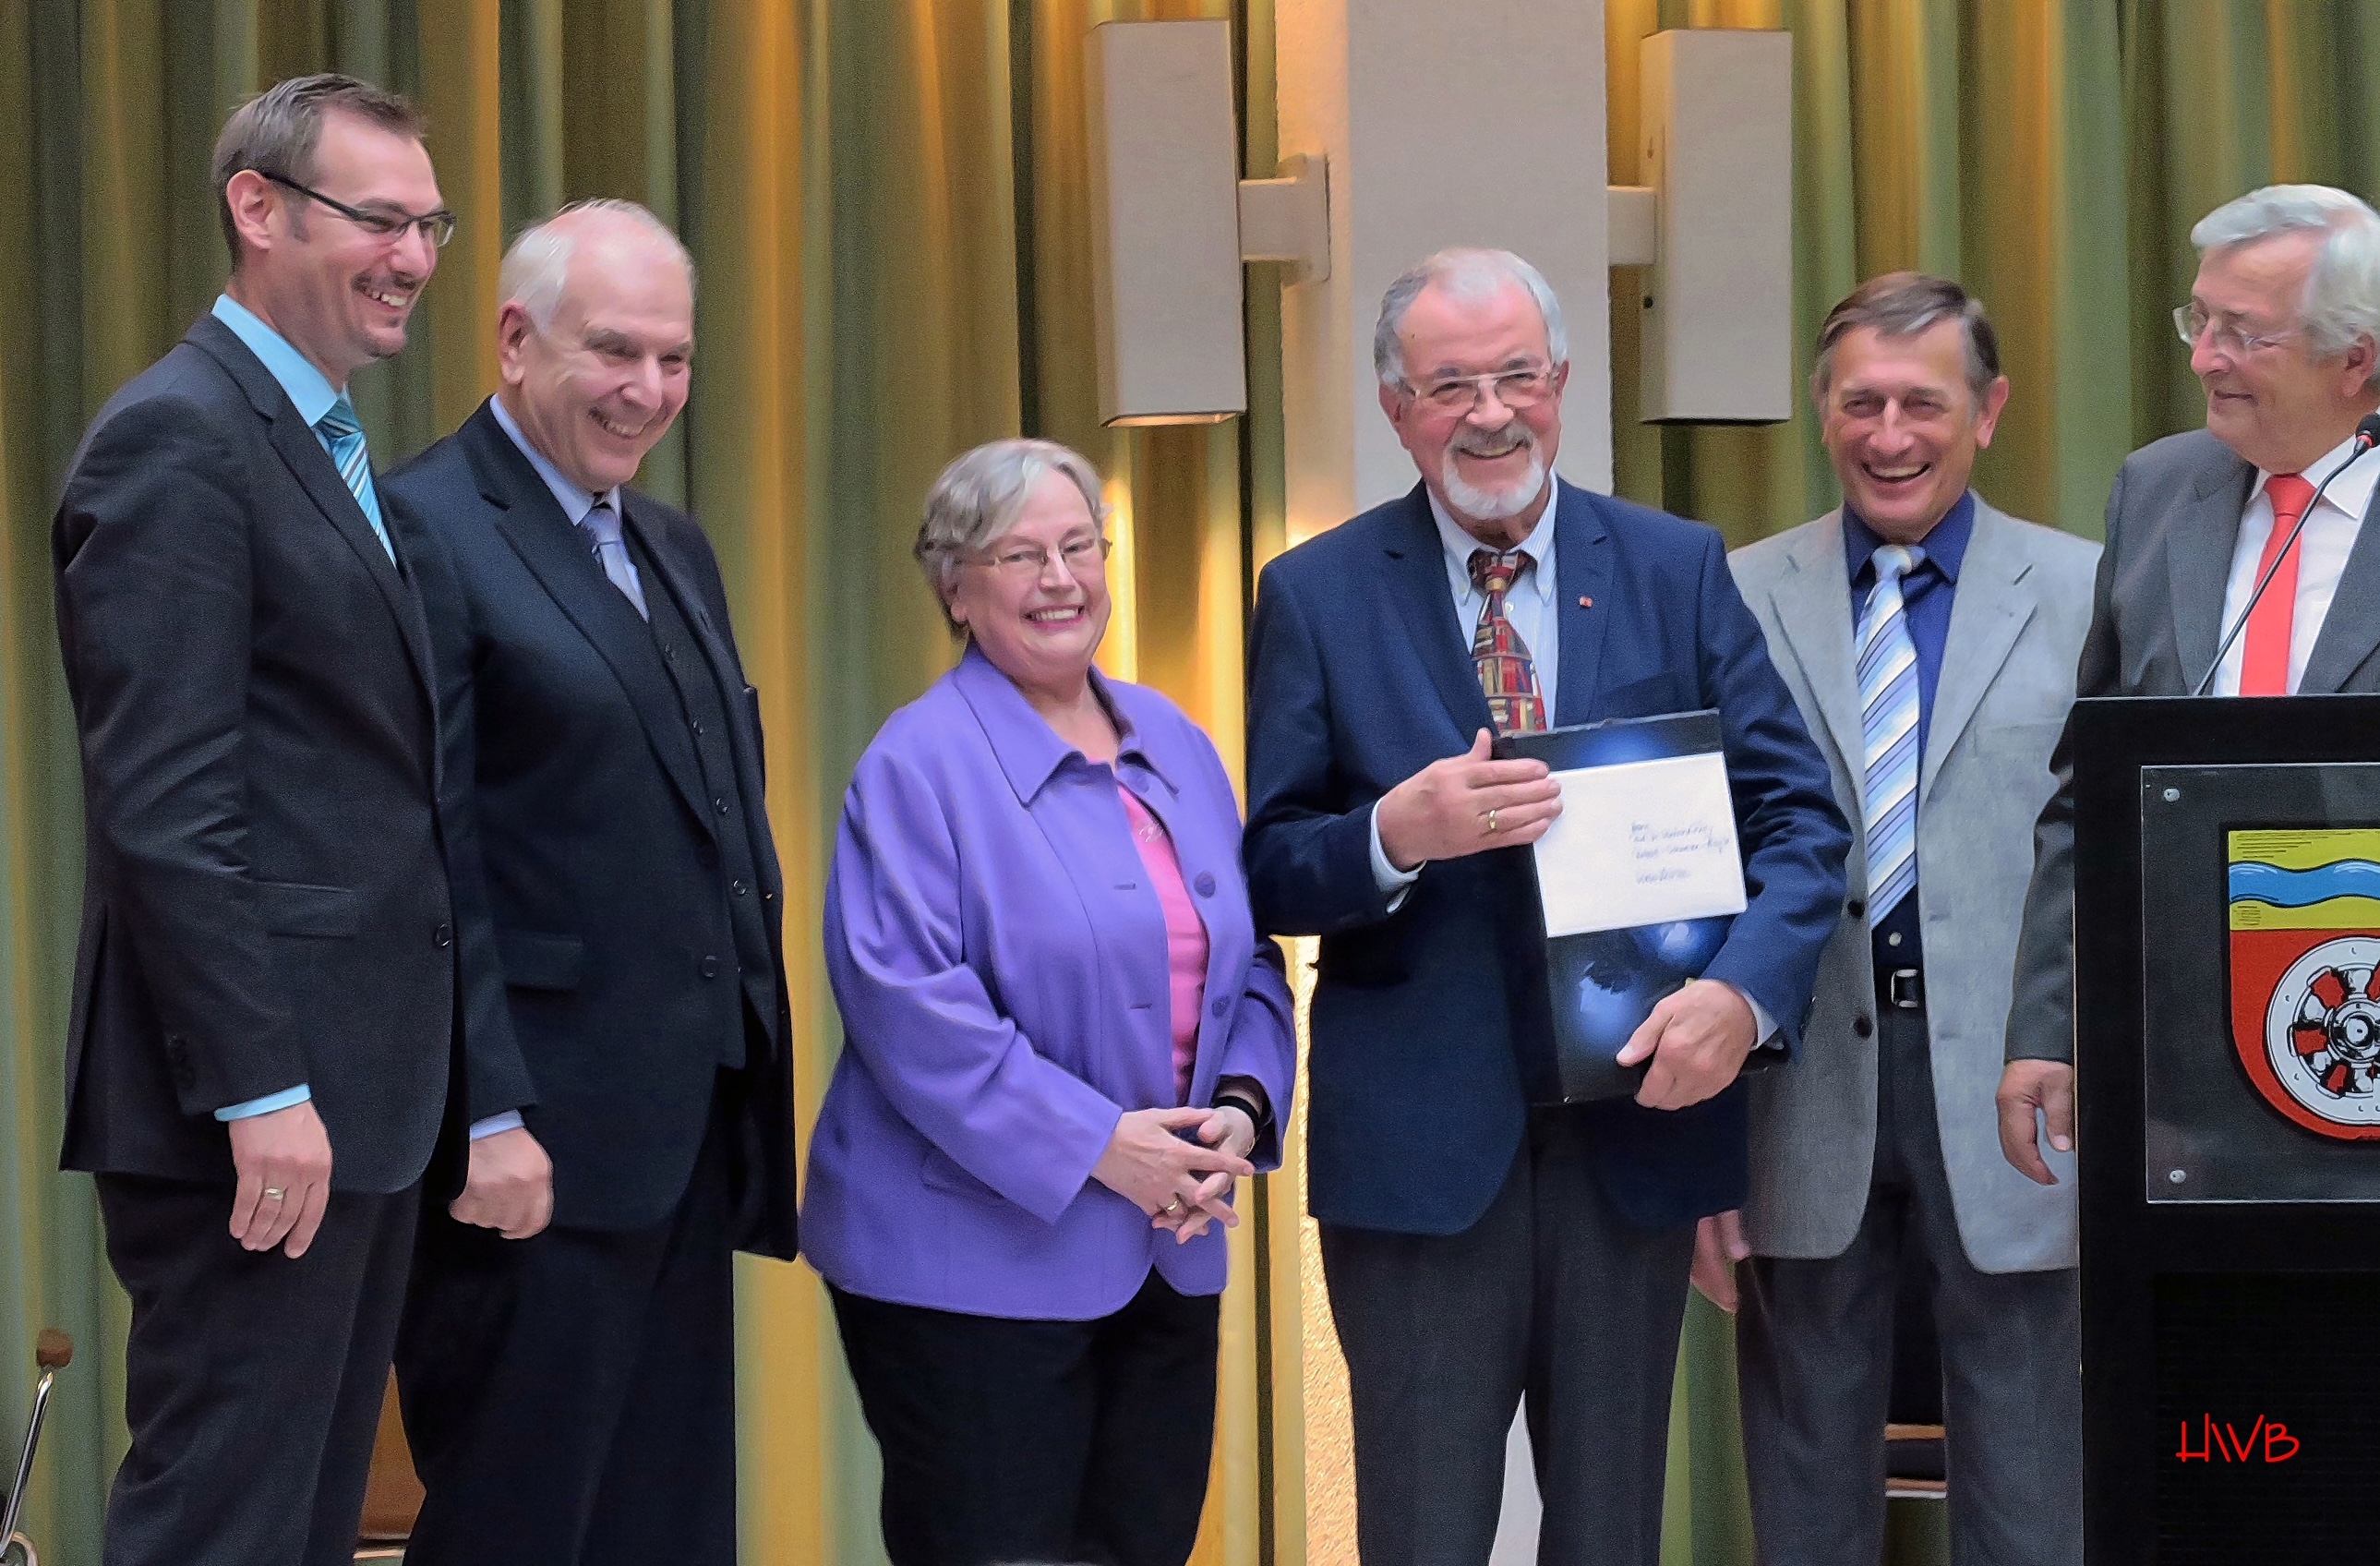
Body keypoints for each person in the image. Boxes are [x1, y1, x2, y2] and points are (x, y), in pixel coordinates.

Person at [1243, 247, 1847, 1565]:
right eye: (1448, 384)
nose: (1489, 411)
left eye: (1517, 374)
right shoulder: (1312, 593)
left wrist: (1742, 1001)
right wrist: (1392, 836)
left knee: (1609, 1534)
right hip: (1416, 1162)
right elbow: (1272, 870)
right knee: (1419, 1532)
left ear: (1564, 383)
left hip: (1630, 1144)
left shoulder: (1676, 566)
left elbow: (1800, 823)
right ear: (1396, 407)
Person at [49, 74, 517, 1566]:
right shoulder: (180, 437)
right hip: (257, 1112)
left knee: (303, 1527)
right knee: (224, 1523)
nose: (414, 256)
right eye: (377, 218)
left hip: (355, 1100)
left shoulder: (318, 441)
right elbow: (166, 804)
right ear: (256, 210)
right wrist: (262, 1088)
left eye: (430, 222)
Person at [380, 200, 799, 1566]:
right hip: (529, 1157)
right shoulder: (423, 528)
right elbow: (424, 852)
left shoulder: (672, 547)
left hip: (681, 1139)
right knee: (520, 1527)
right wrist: (483, 1108)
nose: (648, 390)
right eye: (613, 351)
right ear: (513, 340)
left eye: (673, 359)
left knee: (667, 1528)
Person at [804, 438, 1296, 1566]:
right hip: (963, 1263)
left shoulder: (1175, 739)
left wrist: (1241, 1108)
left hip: (1169, 1244)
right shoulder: (914, 764)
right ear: (954, 587)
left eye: (1079, 545)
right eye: (1019, 554)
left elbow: (1250, 961)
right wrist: (1099, 1146)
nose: (1059, 577)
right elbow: (908, 1007)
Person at [1717, 273, 2098, 1564]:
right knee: (1802, 1467)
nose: (1890, 435)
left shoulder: (2085, 589)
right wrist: (1701, 1148)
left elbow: (2100, 849)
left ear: (1986, 412)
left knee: (2032, 1473)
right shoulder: (1734, 593)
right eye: (1860, 402)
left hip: (2018, 1088)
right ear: (1819, 414)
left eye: (1921, 403)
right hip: (1799, 1090)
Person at [2002, 186, 2380, 1174]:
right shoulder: (2158, 490)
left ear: (2357, 358)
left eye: (2242, 334)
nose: (2204, 357)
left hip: (2351, 1034)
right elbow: (2086, 791)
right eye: (2198, 320)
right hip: (2175, 1069)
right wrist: (2048, 1023)